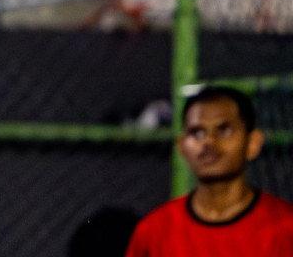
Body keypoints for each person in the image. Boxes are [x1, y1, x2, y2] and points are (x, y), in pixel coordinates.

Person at [125, 85, 293, 256]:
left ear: (253, 143)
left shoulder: (286, 228)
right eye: (197, 133)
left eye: (224, 130)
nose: (209, 142)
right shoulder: (154, 231)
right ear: (182, 146)